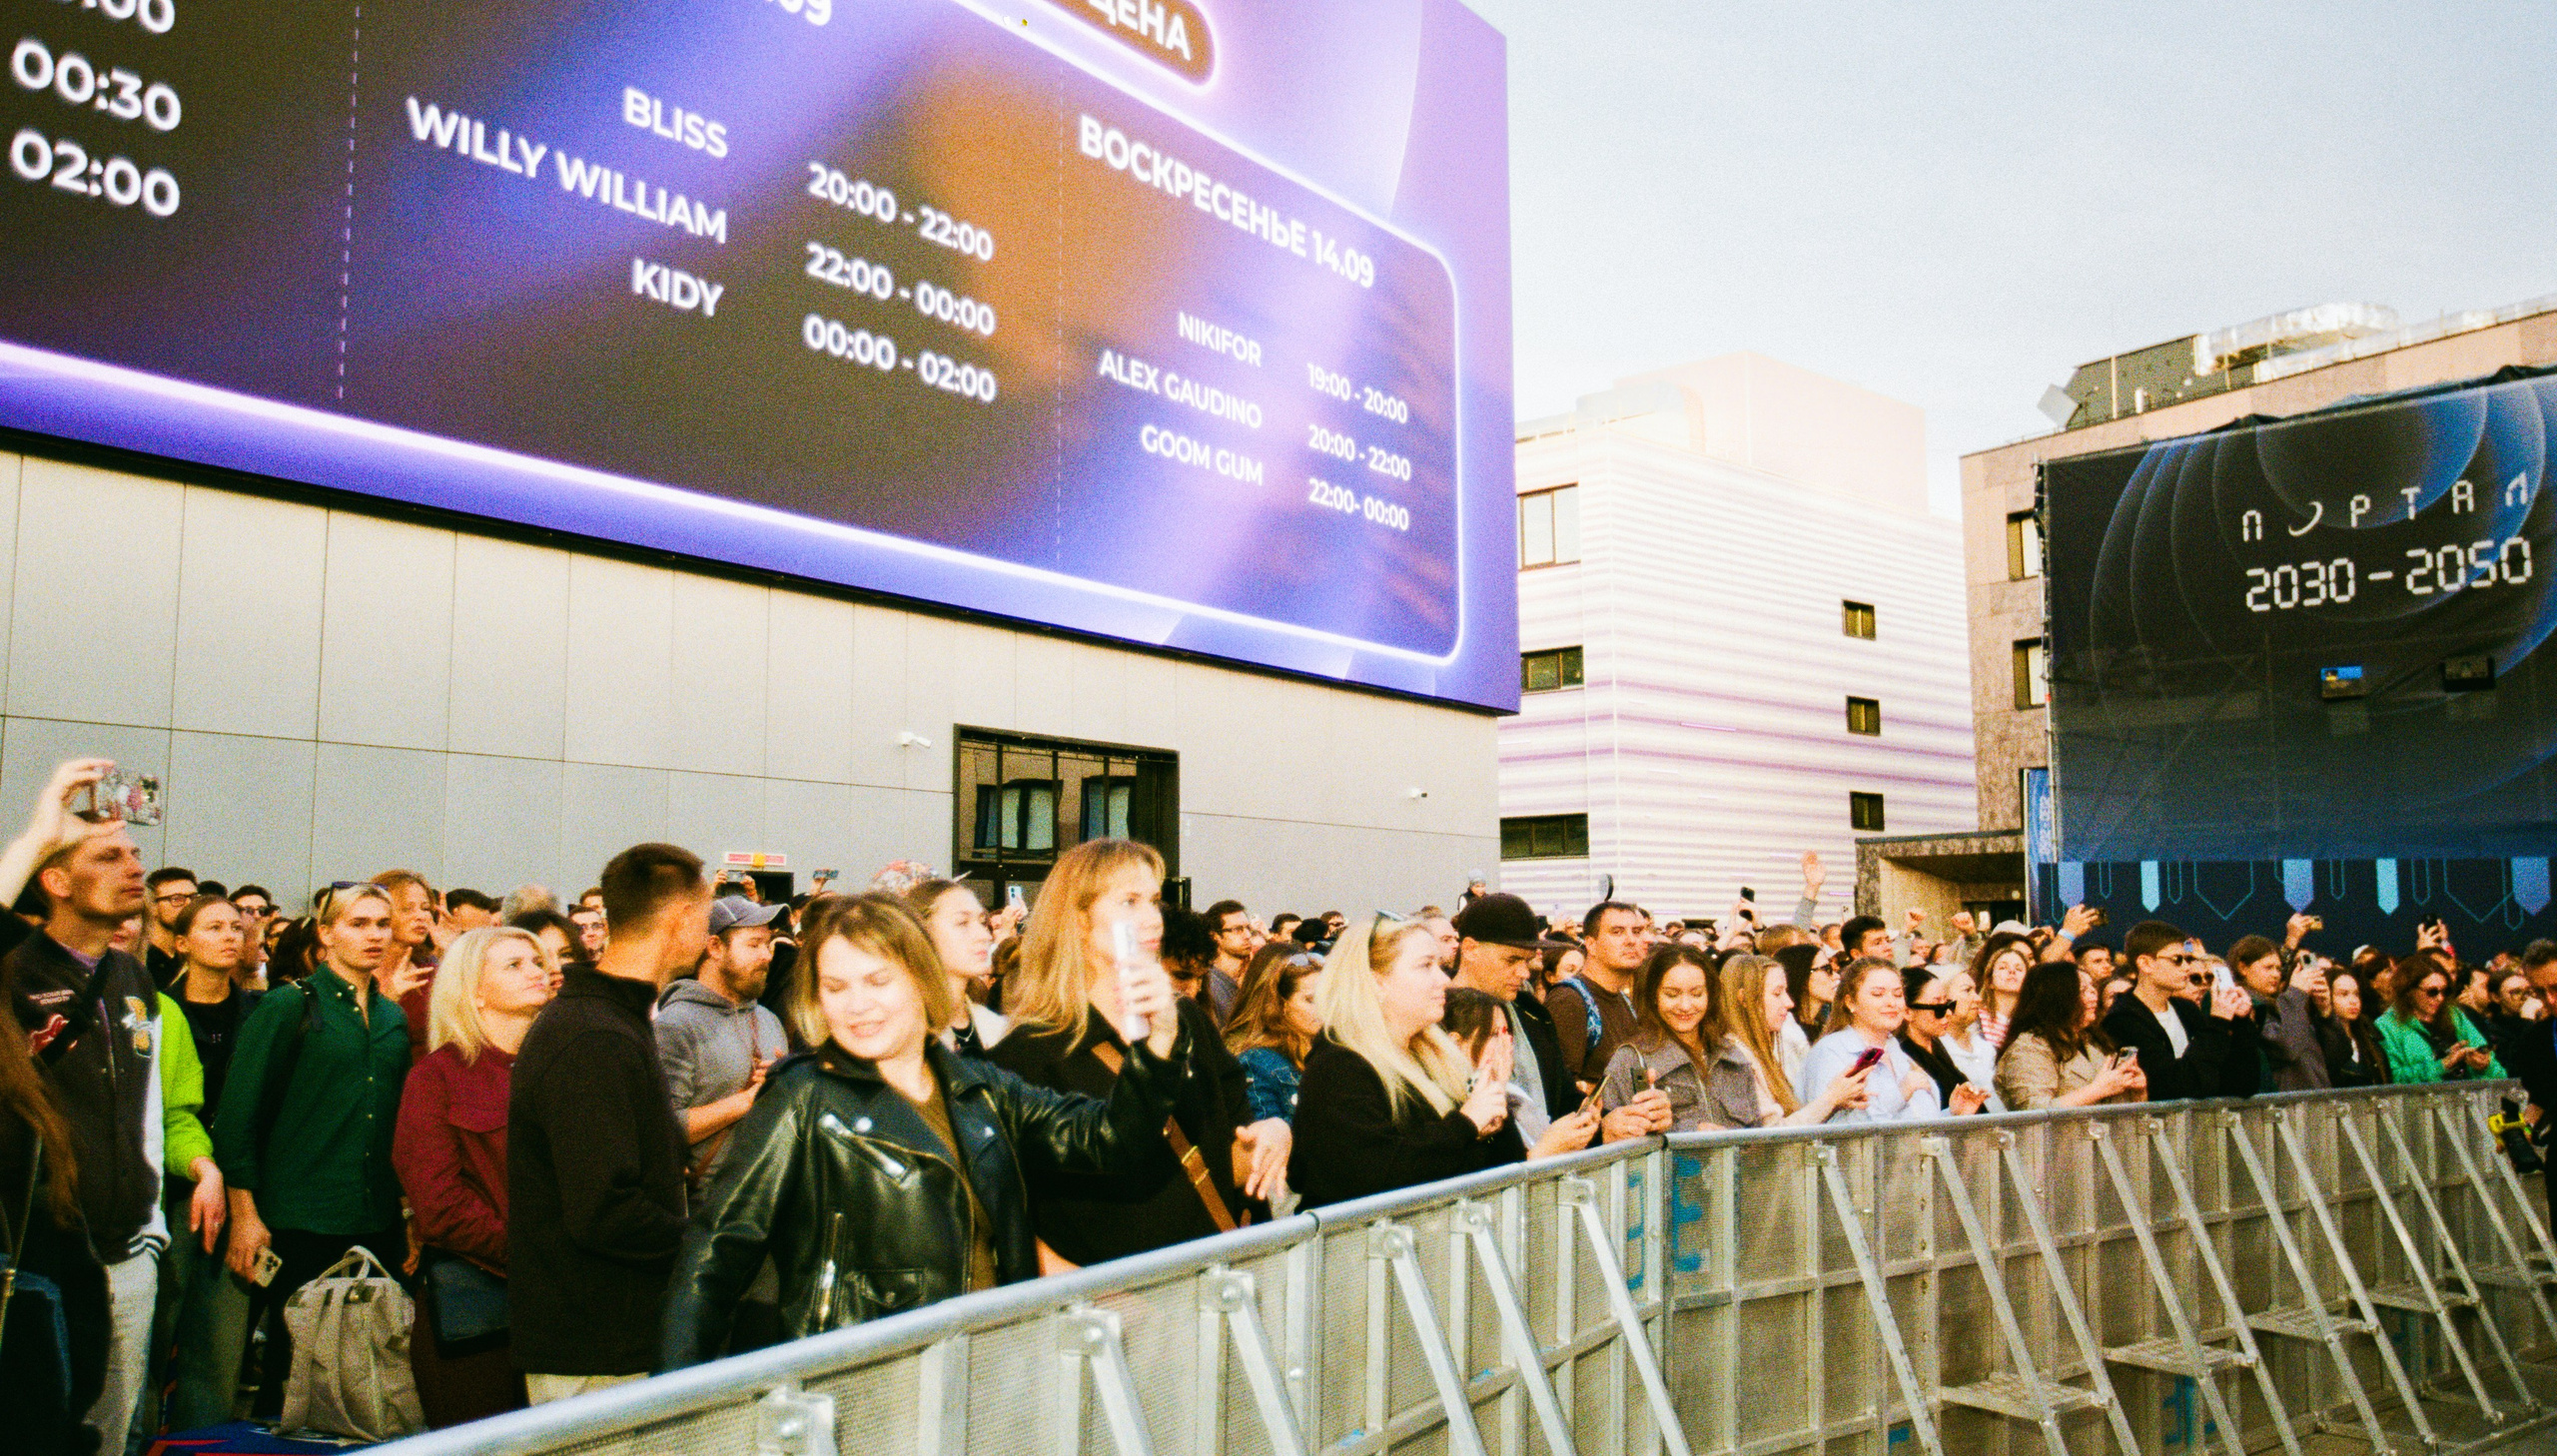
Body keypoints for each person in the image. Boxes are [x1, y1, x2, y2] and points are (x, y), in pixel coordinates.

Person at [659, 894, 1188, 1366]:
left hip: (989, 1377)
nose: (856, 1005)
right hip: (866, 1387)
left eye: (877, 981)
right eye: (836, 987)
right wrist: (678, 1413)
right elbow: (715, 1255)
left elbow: (1110, 1139)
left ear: (919, 979)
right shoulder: (802, 1096)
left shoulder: (980, 1087)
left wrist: (1160, 1038)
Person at [986, 841, 1281, 1266]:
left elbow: (1235, 1137)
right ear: (1078, 919)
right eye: (1129, 902)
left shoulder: (1188, 1019)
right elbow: (1016, 1207)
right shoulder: (1029, 1054)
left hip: (1222, 1271)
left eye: (1154, 900)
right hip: (1121, 1292)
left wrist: (1274, 1132)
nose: (1152, 918)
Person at [507, 844, 708, 1403]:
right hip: (595, 1354)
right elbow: (604, 1212)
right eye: (706, 912)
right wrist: (716, 1242)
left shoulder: (613, 1018)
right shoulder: (593, 1035)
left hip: (618, 1339)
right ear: (679, 919)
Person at [213, 881, 411, 1418]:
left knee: (364, 1369)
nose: (374, 935)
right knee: (291, 1371)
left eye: (382, 923)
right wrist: (245, 1213)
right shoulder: (287, 1005)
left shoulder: (392, 1018)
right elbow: (237, 1117)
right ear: (325, 933)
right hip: (299, 1216)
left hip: (374, 1218)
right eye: (358, 923)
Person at [1289, 916, 1594, 1208]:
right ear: (1376, 982)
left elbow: (1496, 1166)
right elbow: (1374, 1175)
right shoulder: (1338, 1067)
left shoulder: (1433, 1056)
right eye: (1425, 966)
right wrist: (1467, 1123)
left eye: (1439, 964)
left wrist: (1493, 1104)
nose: (1443, 979)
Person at [395, 927, 554, 1426]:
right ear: (474, 991)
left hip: (567, 1304)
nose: (537, 971)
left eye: (537, 961)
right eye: (515, 965)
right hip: (480, 1307)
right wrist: (533, 1252)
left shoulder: (564, 1065)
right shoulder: (437, 1076)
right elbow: (438, 1205)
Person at [153, 895, 260, 1432]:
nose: (229, 936)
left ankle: (201, 1440)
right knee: (152, 1332)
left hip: (240, 1186)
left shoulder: (261, 1013)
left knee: (219, 1342)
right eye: (214, 927)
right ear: (181, 942)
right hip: (169, 1187)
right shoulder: (153, 1010)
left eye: (236, 928)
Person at [1448, 894, 1578, 1132]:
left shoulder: (1533, 1013)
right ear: (1470, 949)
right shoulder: (1435, 1019)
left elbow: (1565, 1099)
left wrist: (1603, 1122)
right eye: (1511, 960)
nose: (1524, 973)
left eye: (1527, 961)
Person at [1594, 945, 1750, 1131]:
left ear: (1710, 996)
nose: (1685, 1006)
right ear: (1654, 996)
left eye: (1696, 994)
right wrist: (1690, 1134)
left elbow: (1757, 1134)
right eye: (1672, 995)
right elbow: (1620, 1137)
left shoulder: (1731, 1056)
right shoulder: (1634, 1061)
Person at [2100, 921, 2248, 1102]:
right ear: (2146, 963)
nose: (2187, 967)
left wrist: (2241, 1022)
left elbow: (2239, 1083)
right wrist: (2218, 1022)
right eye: (2177, 960)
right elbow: (2175, 1086)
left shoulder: (2186, 1009)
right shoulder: (2122, 1020)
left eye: (2188, 959)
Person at [1713, 953, 1869, 1125]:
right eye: (1777, 993)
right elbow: (1772, 1133)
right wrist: (1830, 1099)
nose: (1789, 1003)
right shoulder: (1733, 1059)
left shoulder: (1758, 1051)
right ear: (1744, 999)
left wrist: (1837, 1101)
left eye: (1785, 992)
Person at [1795, 960, 1943, 1122]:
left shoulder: (1894, 1048)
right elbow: (1833, 1129)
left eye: (1898, 994)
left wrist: (1953, 1113)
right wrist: (1899, 1095)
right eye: (1878, 994)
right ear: (1850, 1002)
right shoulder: (1831, 1052)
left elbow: (1920, 1120)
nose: (1892, 1003)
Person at [1994, 963, 2147, 1109]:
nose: (2093, 994)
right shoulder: (2028, 1050)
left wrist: (2137, 1093)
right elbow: (2035, 1112)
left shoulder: (2094, 1042)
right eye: (2083, 990)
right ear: (2057, 998)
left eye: (2092, 987)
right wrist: (2098, 1089)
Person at [1546, 901, 1647, 1090]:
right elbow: (1560, 1089)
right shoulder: (1569, 998)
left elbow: (1636, 1074)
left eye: (1637, 931)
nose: (1631, 940)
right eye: (1617, 932)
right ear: (1591, 944)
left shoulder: (1625, 1001)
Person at [906, 879, 1009, 1053]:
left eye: (982, 922)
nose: (985, 936)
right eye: (962, 923)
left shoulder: (996, 1027)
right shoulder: (904, 1032)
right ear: (921, 933)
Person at [1225, 949, 1322, 1122]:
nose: (1322, 1008)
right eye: (1311, 1000)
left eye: (1327, 998)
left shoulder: (1334, 1050)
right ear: (1283, 1005)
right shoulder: (1257, 1062)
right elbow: (1265, 1130)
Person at [2374, 955, 2504, 1085]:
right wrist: (2443, 1065)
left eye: (2445, 991)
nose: (2440, 998)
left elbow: (2499, 1074)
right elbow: (2393, 1079)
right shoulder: (2387, 1025)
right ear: (2409, 991)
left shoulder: (2454, 1014)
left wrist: (2485, 1066)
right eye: (2432, 992)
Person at [2228, 934, 2329, 1092]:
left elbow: (2336, 1058)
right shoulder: (2242, 1004)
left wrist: (2326, 1012)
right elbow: (2286, 1048)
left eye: (2278, 968)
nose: (2276, 974)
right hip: (2283, 1103)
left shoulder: (2283, 1003)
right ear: (2243, 968)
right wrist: (2296, 992)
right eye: (2268, 967)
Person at [1894, 967, 1996, 1114]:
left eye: (1949, 1004)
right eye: (1938, 1008)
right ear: (1908, 1012)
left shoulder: (1935, 1043)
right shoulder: (1903, 1056)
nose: (1948, 1013)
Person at [2316, 969, 2389, 1090]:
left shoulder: (2370, 1036)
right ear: (2327, 997)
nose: (2353, 1001)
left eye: (2356, 994)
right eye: (2344, 994)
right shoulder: (2318, 1039)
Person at [1774, 944, 1835, 1088]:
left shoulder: (1823, 1026)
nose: (1835, 976)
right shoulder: (1787, 1034)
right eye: (1827, 969)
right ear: (1803, 975)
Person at [1970, 935, 2032, 1050]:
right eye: (2003, 967)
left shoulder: (2030, 1025)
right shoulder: (1975, 1018)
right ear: (1990, 981)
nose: (2012, 971)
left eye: (2019, 969)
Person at [141, 866, 197, 988]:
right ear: (153, 907)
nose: (189, 904)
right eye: (177, 899)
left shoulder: (193, 958)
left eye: (193, 898)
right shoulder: (140, 960)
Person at [1200, 899, 1254, 1027]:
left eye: (1248, 928)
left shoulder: (1245, 978)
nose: (1247, 935)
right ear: (1215, 936)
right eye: (1237, 929)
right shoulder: (1210, 985)